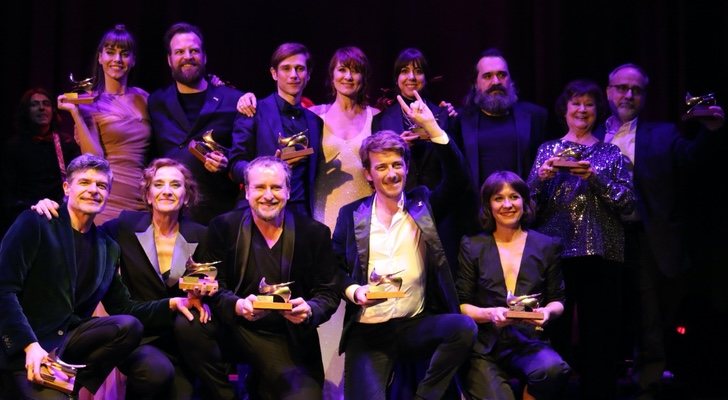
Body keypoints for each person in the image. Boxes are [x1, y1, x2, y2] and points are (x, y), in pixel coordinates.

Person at [0, 154, 205, 399]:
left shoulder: (107, 246)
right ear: (67, 187)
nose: (93, 190)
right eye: (85, 182)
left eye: (102, 185)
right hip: (29, 348)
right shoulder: (37, 222)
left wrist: (173, 303)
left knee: (127, 325)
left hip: (70, 348)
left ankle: (79, 385)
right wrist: (29, 346)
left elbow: (125, 308)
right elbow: (4, 289)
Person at [334, 92, 477, 400]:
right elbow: (333, 270)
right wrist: (354, 292)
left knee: (463, 328)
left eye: (397, 165)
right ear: (368, 174)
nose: (391, 173)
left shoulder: (422, 203)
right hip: (369, 331)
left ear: (407, 168)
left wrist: (433, 128)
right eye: (382, 167)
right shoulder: (350, 215)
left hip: (415, 324)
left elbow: (459, 180)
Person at [593, 63, 725, 396]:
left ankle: (648, 380)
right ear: (608, 91)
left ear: (644, 97)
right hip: (597, 237)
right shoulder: (590, 132)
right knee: (601, 312)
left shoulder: (663, 133)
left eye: (636, 90)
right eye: (622, 87)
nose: (628, 94)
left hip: (645, 237)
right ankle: (600, 380)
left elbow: (694, 162)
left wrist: (711, 131)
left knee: (649, 314)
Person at [175, 156, 341, 399]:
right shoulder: (223, 227)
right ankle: (226, 394)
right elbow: (207, 282)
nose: (268, 195)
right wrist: (237, 305)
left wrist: (310, 309)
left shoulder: (314, 234)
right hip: (235, 327)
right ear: (246, 191)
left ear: (288, 190)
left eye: (276, 187)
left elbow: (329, 292)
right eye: (260, 187)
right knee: (187, 325)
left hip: (286, 337)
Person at [526, 80, 635, 400]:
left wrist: (595, 177)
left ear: (597, 111)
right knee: (554, 331)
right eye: (576, 103)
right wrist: (540, 177)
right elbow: (527, 206)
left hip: (601, 252)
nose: (582, 110)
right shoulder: (547, 150)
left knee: (600, 334)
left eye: (589, 104)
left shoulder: (609, 152)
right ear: (565, 109)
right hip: (555, 251)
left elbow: (628, 203)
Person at [456, 170, 570, 400]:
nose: (507, 204)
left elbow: (558, 300)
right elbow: (462, 304)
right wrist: (491, 313)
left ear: (524, 201)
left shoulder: (546, 245)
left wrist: (547, 311)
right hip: (486, 347)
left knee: (553, 370)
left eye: (514, 196)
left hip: (528, 342)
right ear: (489, 205)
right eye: (498, 198)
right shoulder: (472, 245)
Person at [148, 22, 244, 224]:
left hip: (218, 217)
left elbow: (246, 155)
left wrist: (227, 162)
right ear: (169, 59)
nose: (187, 56)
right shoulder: (156, 101)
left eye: (194, 50)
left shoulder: (233, 100)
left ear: (204, 57)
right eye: (179, 51)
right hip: (168, 217)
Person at [57, 24, 150, 225]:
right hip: (107, 196)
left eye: (124, 54)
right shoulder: (89, 103)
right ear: (100, 57)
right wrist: (75, 113)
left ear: (133, 60)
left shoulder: (145, 99)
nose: (117, 59)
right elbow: (94, 158)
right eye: (110, 52)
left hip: (142, 197)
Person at [229, 42, 323, 218]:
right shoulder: (253, 110)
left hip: (301, 214)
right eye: (286, 68)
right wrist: (265, 171)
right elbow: (235, 164)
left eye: (299, 69)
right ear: (274, 73)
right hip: (258, 211)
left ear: (308, 75)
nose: (293, 75)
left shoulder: (315, 121)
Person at [452, 48, 548, 187]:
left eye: (502, 75)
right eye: (487, 76)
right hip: (476, 207)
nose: (496, 81)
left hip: (524, 206)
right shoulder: (459, 120)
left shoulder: (536, 117)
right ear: (475, 83)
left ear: (511, 80)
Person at [371, 47, 455, 191]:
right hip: (398, 199)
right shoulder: (381, 120)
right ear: (396, 79)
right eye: (404, 71)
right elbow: (376, 164)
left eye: (418, 71)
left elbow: (453, 163)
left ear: (426, 78)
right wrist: (397, 148)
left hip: (437, 201)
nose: (411, 77)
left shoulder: (444, 115)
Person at [1, 88, 79, 236]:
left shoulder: (65, 143)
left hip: (59, 218)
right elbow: (9, 192)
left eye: (46, 103)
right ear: (26, 111)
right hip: (25, 217)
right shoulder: (13, 146)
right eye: (35, 104)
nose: (42, 108)